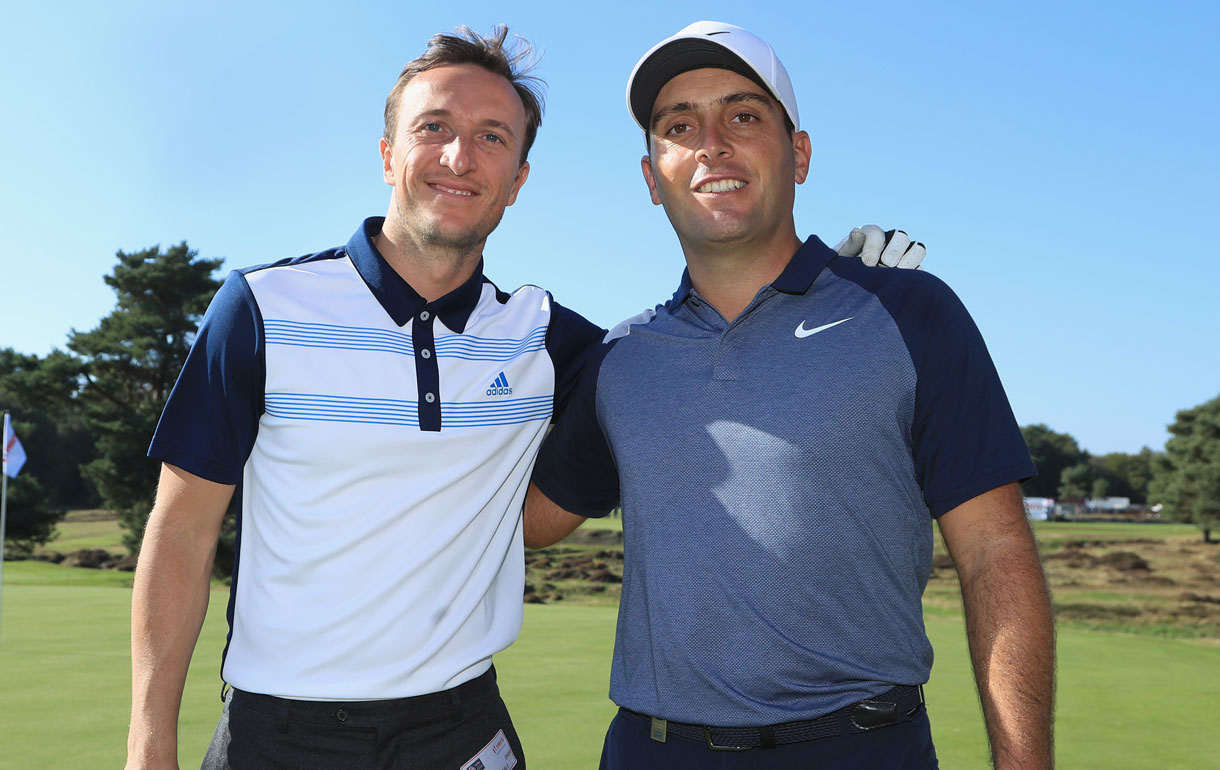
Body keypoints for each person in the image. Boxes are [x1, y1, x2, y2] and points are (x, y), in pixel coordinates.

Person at [124, 24, 914, 770]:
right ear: (388, 153)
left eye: (493, 137)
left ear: (518, 180)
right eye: (433, 127)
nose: (460, 155)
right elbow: (183, 530)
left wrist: (823, 295)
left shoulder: (548, 337)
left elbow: (693, 355)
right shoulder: (263, 307)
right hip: (280, 730)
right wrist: (149, 744)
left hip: (460, 725)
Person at [526, 20, 1054, 770]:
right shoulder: (622, 358)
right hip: (652, 752)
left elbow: (996, 553)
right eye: (679, 126)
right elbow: (529, 522)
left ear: (797, 155)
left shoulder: (911, 313)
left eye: (743, 116)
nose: (712, 143)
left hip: (863, 749)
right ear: (652, 176)